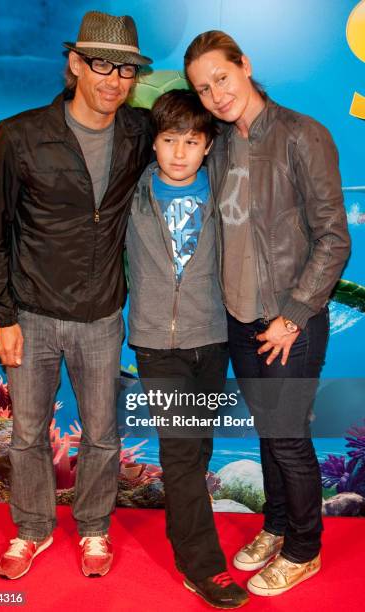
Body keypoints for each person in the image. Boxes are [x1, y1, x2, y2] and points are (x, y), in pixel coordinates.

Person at [0, 11, 153, 580]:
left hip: (102, 315)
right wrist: (0, 315)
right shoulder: (20, 134)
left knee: (102, 433)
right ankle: (31, 530)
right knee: (27, 435)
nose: (113, 79)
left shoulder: (140, 131)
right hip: (31, 313)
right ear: (75, 64)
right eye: (101, 64)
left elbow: (207, 132)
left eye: (125, 68)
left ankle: (94, 529)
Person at [184, 31, 350, 597]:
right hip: (241, 317)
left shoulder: (303, 134)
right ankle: (277, 526)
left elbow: (333, 238)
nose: (215, 95)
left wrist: (295, 314)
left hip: (289, 321)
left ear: (245, 66)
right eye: (203, 89)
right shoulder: (223, 144)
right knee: (268, 433)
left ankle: (305, 549)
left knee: (287, 435)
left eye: (221, 79)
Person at [126, 89, 249, 609]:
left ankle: (184, 536)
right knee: (179, 451)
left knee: (197, 450)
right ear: (153, 143)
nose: (179, 152)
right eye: (169, 139)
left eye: (192, 141)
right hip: (158, 343)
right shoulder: (129, 194)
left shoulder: (225, 190)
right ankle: (204, 567)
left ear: (207, 146)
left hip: (213, 336)